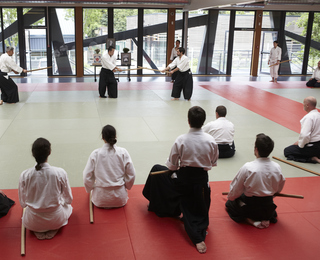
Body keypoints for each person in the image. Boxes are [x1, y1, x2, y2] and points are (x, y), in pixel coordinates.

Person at [142, 106, 218, 254]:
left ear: (188, 121)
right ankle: (196, 230)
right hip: (201, 184)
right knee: (195, 205)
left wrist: (175, 169)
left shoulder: (181, 140)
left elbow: (171, 165)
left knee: (156, 170)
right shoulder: (211, 140)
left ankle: (196, 237)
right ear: (203, 122)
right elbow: (213, 163)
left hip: (182, 183)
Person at [226, 133, 285, 229]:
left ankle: (250, 220)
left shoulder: (248, 167)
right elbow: (278, 189)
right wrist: (269, 194)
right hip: (268, 207)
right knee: (266, 205)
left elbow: (236, 188)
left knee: (230, 203)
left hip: (250, 207)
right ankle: (266, 218)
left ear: (256, 149)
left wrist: (231, 197)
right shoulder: (277, 167)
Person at [19, 138, 73, 240]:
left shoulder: (25, 175)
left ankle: (38, 228)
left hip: (33, 221)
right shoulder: (60, 172)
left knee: (29, 211)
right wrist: (60, 200)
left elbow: (23, 204)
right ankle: (53, 227)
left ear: (33, 154)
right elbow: (69, 200)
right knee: (68, 207)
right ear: (49, 152)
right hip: (55, 218)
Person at [83, 125, 135, 208]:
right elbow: (132, 174)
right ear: (115, 136)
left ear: (103, 137)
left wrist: (92, 188)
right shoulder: (123, 152)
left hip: (100, 199)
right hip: (120, 199)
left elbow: (86, 176)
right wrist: (126, 186)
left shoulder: (95, 154)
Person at [284, 96, 320, 163]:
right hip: (319, 146)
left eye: (303, 103)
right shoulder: (318, 115)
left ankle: (311, 159)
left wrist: (300, 144)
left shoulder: (309, 118)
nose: (303, 104)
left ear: (307, 105)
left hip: (311, 147)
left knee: (287, 151)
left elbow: (305, 135)